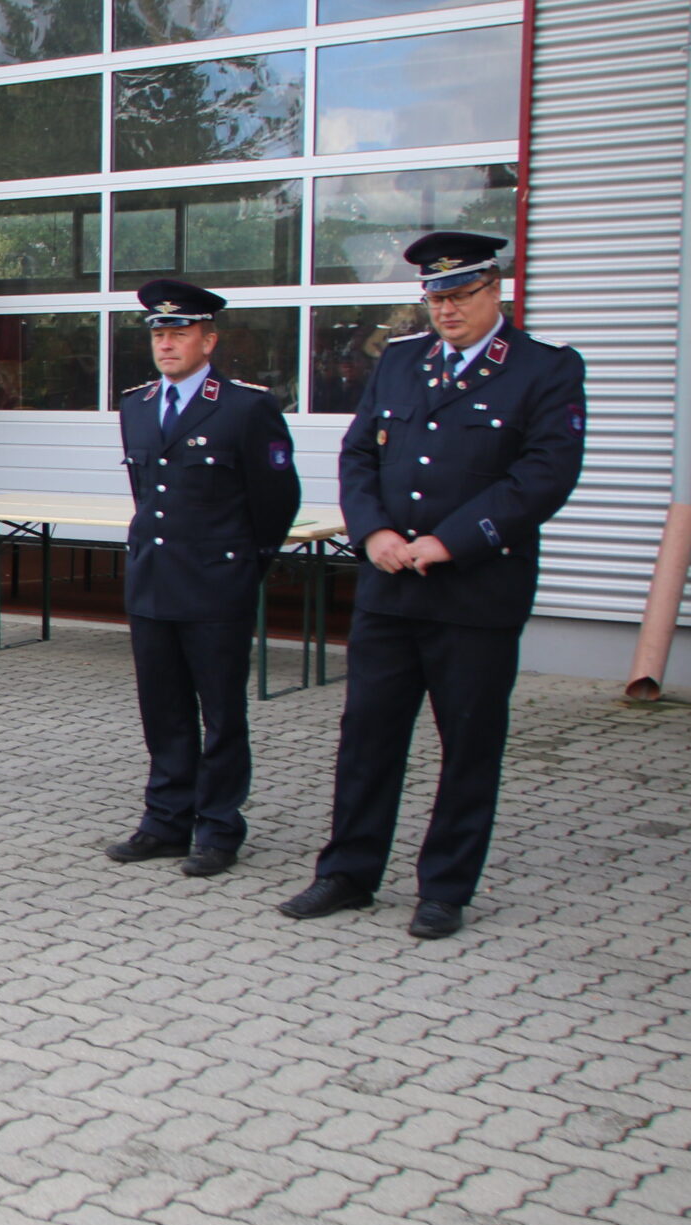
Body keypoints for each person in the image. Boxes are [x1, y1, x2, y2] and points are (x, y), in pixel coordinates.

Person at [278, 231, 587, 940]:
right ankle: (348, 872)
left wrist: (453, 540)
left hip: (476, 593)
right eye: (435, 296)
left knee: (469, 745)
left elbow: (545, 474)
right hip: (390, 589)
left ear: (496, 290)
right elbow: (359, 454)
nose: (446, 309)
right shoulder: (401, 361)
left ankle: (445, 887)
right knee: (367, 738)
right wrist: (372, 532)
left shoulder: (545, 369)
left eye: (462, 294)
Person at [103, 279, 301, 878]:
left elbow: (276, 500)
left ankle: (217, 827)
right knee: (162, 710)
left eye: (179, 333)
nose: (166, 344)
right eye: (158, 334)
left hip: (217, 584)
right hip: (153, 581)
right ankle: (166, 820)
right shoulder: (137, 405)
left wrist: (244, 566)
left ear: (208, 341)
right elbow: (148, 494)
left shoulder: (245, 407)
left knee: (221, 714)